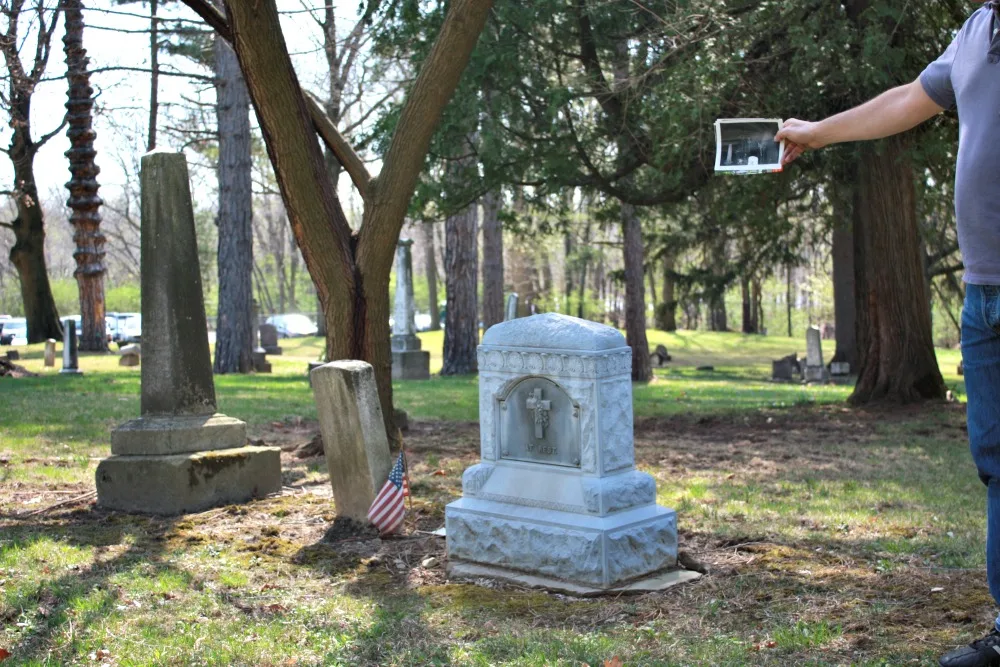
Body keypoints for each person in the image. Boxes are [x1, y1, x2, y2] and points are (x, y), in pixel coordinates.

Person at [776, 3, 999, 665]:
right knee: (996, 468)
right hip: (985, 300)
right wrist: (817, 132)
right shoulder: (978, 29)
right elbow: (909, 97)